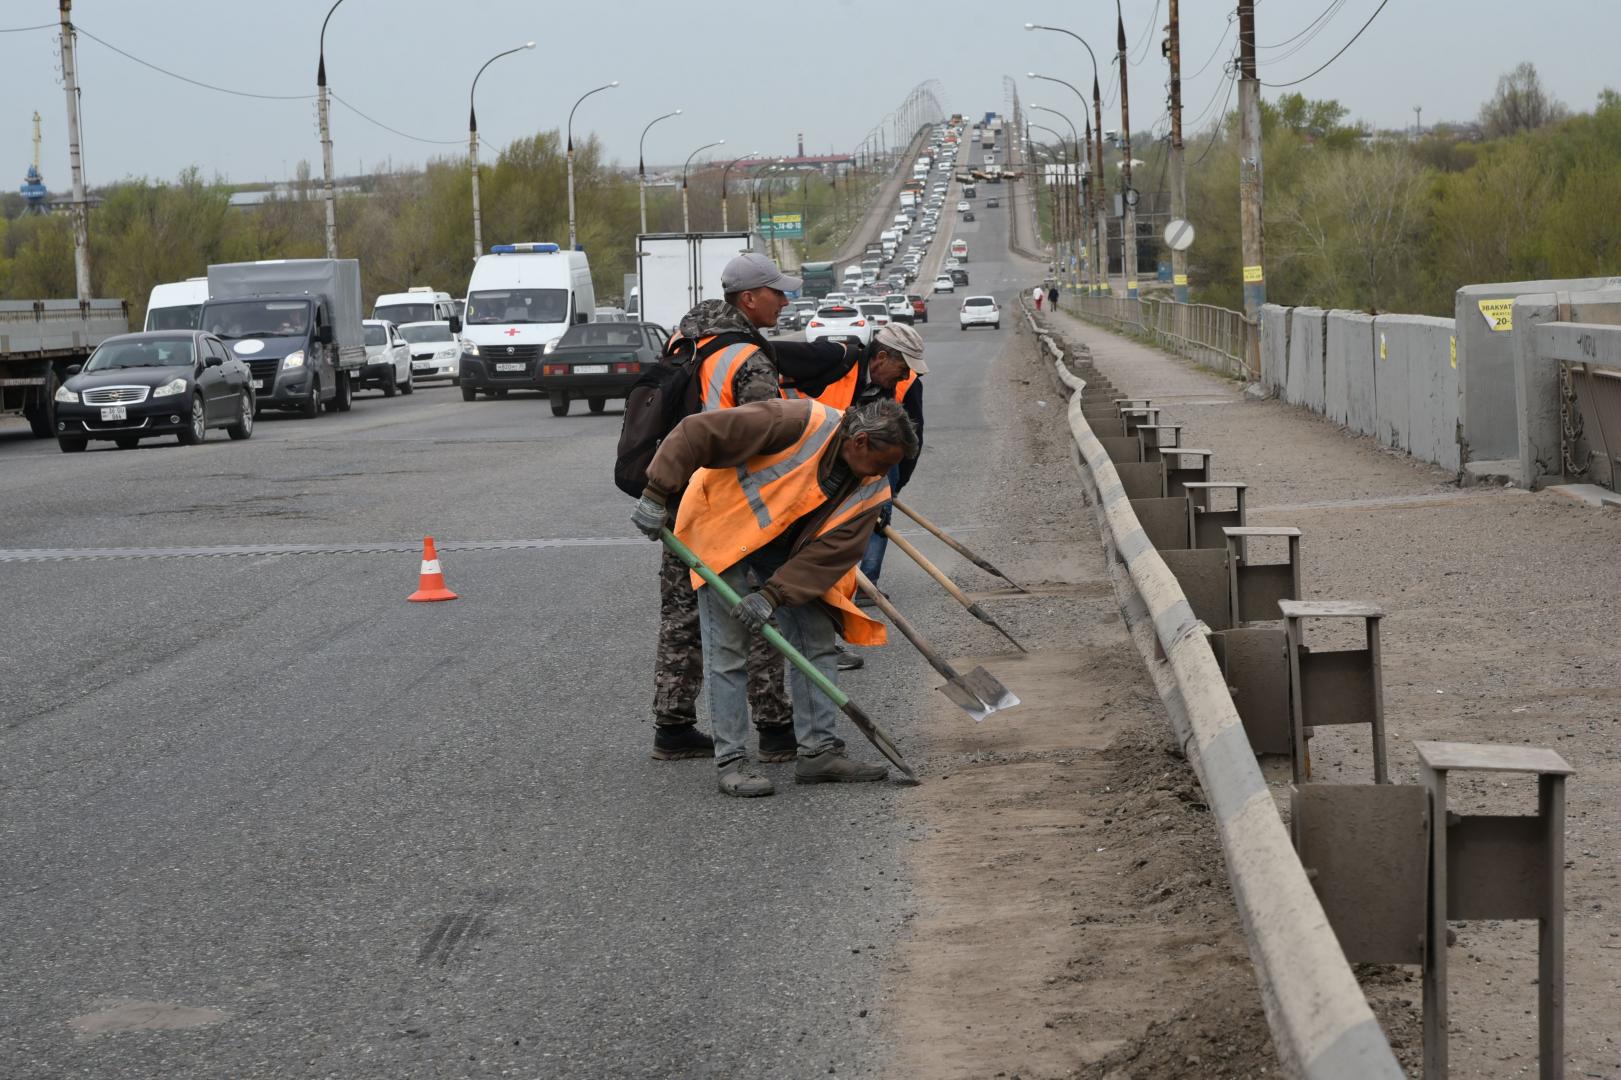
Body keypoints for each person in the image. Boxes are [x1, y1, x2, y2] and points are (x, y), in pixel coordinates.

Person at [632, 396, 920, 797]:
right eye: (883, 463)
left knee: (816, 637)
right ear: (859, 443)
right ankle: (731, 760)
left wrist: (772, 595)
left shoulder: (871, 487)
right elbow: (695, 431)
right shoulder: (795, 421)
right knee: (729, 646)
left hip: (786, 547)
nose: (884, 473)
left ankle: (819, 751)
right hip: (724, 525)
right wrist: (656, 492)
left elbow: (829, 556)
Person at [648, 253, 861, 765]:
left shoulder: (689, 338)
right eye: (777, 292)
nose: (785, 301)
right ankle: (775, 728)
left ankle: (672, 727)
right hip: (733, 503)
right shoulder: (747, 357)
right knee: (758, 610)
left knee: (682, 614)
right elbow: (768, 438)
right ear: (748, 298)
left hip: (680, 493)